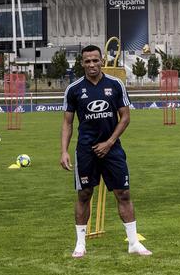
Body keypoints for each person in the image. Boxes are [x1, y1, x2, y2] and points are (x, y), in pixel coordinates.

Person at [60, 44, 151, 257]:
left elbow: (125, 117)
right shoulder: (73, 89)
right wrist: (63, 151)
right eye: (87, 61)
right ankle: (80, 244)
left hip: (112, 149)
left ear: (102, 60)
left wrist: (109, 143)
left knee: (124, 193)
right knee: (84, 194)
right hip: (86, 150)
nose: (92, 64)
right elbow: (67, 123)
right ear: (81, 63)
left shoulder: (116, 84)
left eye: (95, 60)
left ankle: (133, 243)